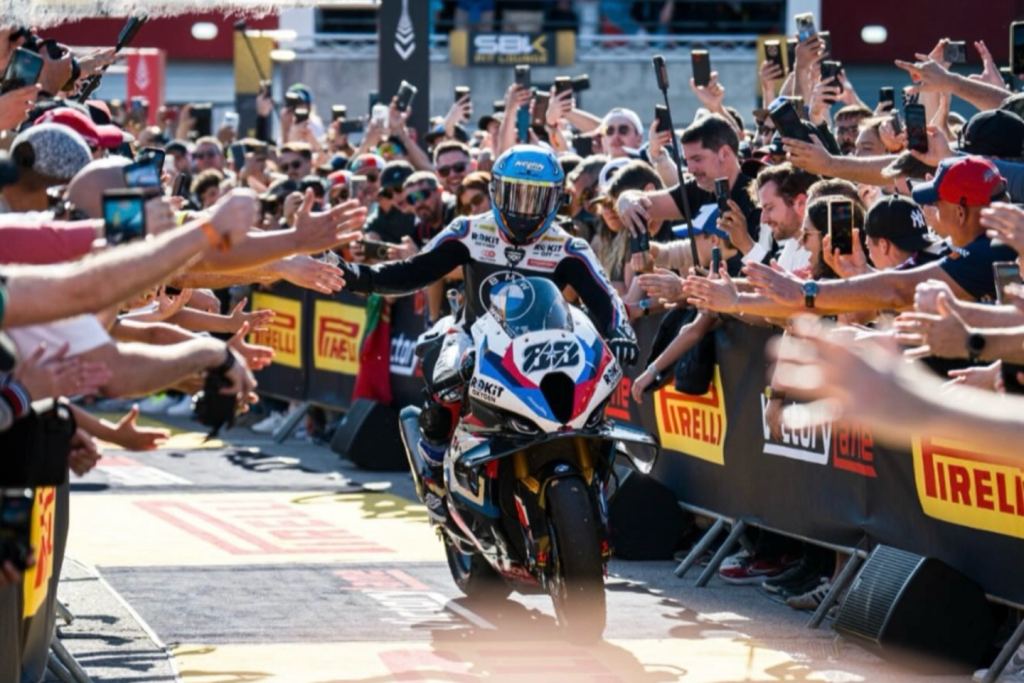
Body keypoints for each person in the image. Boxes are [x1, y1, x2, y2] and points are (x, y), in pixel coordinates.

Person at [335, 145, 639, 520]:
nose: (524, 210)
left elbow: (605, 297)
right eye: (515, 195)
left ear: (555, 199)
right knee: (446, 376)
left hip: (544, 348)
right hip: (475, 338)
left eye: (536, 198)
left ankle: (596, 473)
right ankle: (433, 465)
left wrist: (620, 332)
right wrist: (356, 277)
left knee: (591, 394)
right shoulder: (469, 231)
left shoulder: (568, 246)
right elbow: (413, 271)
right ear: (496, 191)